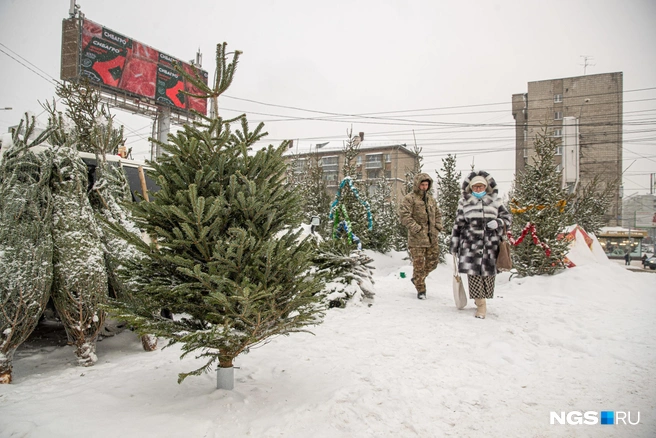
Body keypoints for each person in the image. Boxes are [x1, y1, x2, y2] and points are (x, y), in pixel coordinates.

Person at [450, 171, 512, 319]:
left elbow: (508, 218)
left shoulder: (495, 201)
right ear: (471, 188)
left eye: (481, 186)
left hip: (491, 246)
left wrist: (498, 222)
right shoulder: (464, 202)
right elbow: (458, 225)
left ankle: (483, 300)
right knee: (474, 276)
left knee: (488, 277)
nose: (478, 189)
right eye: (475, 187)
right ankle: (480, 305)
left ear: (486, 187)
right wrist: (454, 245)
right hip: (470, 246)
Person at [399, 172, 443, 300]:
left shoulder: (431, 200)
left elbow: (438, 214)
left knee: (433, 262)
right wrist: (416, 228)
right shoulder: (410, 198)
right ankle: (421, 289)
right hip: (417, 239)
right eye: (422, 184)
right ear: (417, 185)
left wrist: (438, 226)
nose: (424, 187)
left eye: (426, 185)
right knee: (419, 265)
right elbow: (404, 216)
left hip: (432, 237)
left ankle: (417, 278)